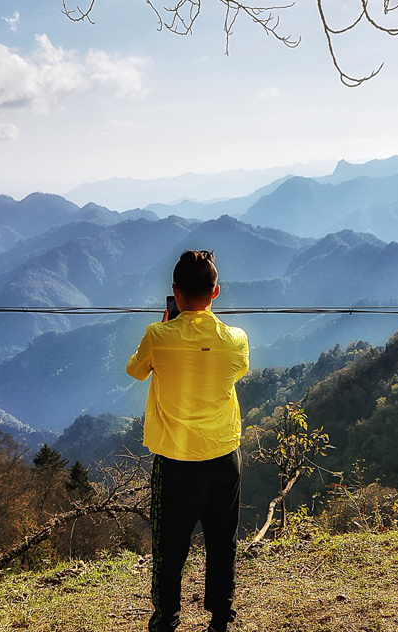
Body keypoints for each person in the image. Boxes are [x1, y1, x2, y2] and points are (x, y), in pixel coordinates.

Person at [126, 250, 250, 632]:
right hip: (224, 456)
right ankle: (220, 619)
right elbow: (238, 371)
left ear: (175, 292)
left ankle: (166, 619)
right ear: (215, 292)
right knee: (222, 542)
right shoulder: (236, 340)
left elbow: (135, 370)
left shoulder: (157, 337)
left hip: (176, 462)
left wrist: (167, 327)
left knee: (169, 547)